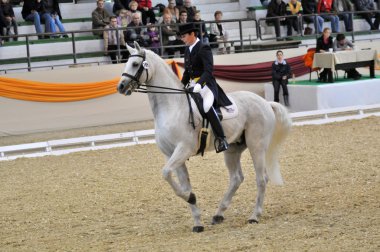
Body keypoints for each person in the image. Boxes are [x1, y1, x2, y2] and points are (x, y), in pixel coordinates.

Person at [179, 22, 232, 153]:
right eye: (181, 37)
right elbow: (187, 72)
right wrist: (181, 86)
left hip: (206, 85)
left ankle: (221, 139)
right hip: (192, 85)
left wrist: (199, 84)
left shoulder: (204, 48)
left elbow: (208, 71)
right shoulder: (187, 49)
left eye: (184, 36)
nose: (182, 39)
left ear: (192, 34)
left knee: (207, 106)